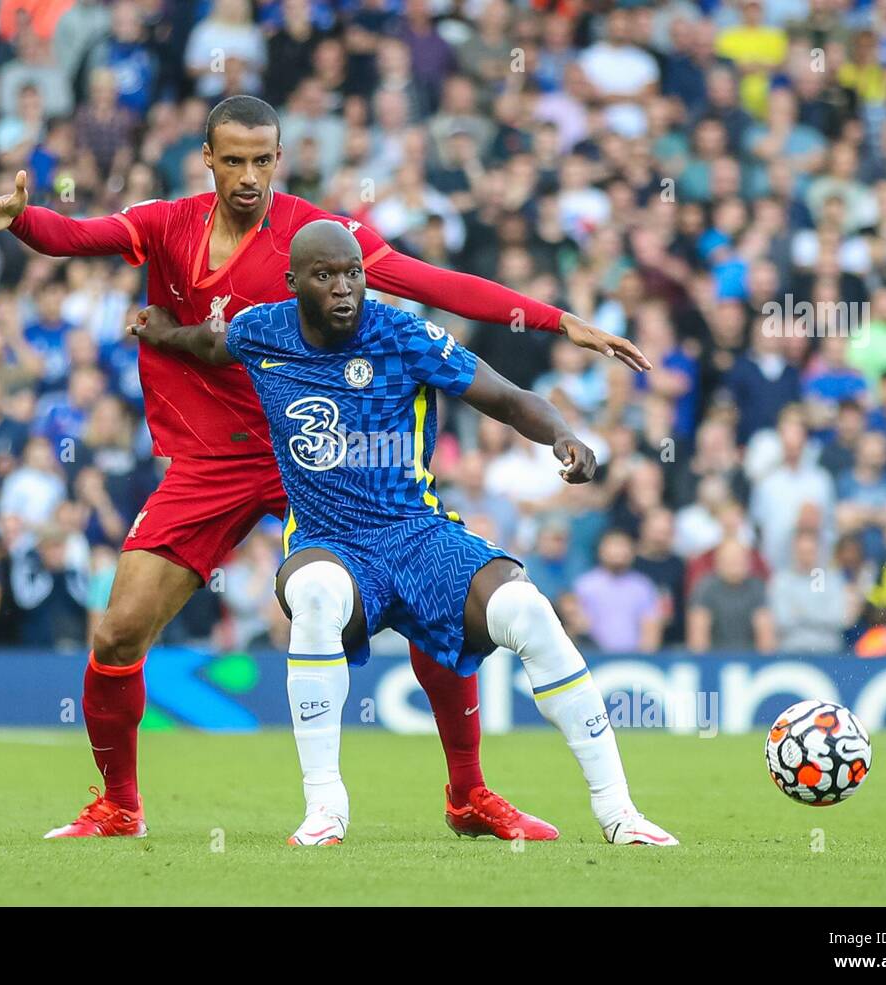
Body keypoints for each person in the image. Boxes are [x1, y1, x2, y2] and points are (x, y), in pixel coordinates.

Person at [0, 94, 650, 841]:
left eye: (263, 160)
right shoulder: (166, 223)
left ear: (278, 160)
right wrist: (21, 219)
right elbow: (80, 235)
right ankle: (119, 807)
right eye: (234, 160)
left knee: (428, 598)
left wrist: (556, 320)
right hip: (213, 458)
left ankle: (468, 792)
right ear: (209, 159)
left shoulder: (324, 238)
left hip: (323, 458)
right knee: (119, 632)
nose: (249, 176)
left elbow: (434, 285)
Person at [135, 219, 676, 847]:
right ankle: (325, 811)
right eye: (326, 276)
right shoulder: (264, 330)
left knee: (527, 609)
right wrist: (163, 332)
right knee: (312, 598)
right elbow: (208, 344)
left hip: (417, 535)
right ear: (293, 283)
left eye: (354, 274)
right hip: (329, 541)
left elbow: (503, 397)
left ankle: (619, 814)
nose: (344, 288)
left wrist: (561, 435)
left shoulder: (403, 334)